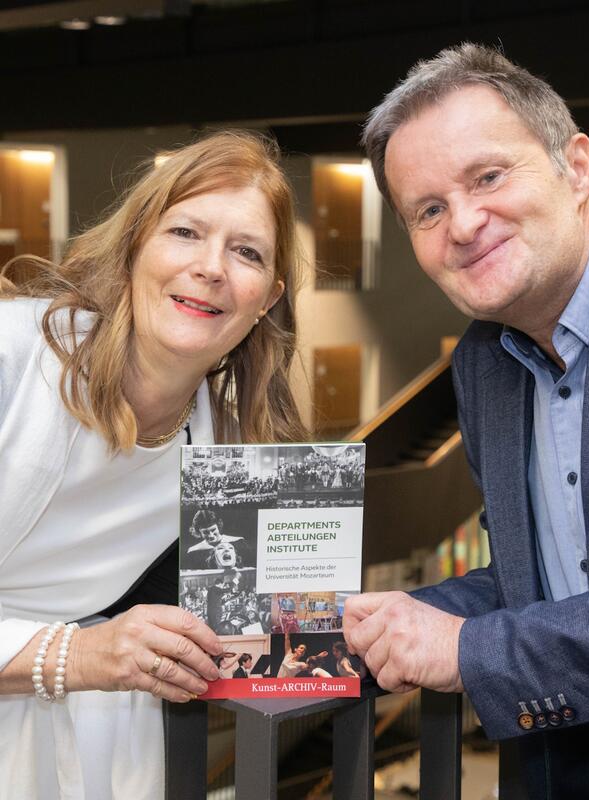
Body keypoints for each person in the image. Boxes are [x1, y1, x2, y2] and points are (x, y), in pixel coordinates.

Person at [0, 129, 306, 800]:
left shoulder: (230, 443)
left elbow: (267, 646)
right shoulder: (13, 357)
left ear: (267, 298)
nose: (212, 267)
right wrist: (81, 656)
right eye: (186, 233)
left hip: (95, 742)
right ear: (137, 245)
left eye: (246, 252)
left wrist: (330, 627)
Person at [343, 43, 589, 799]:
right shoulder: (484, 366)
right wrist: (394, 621)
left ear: (578, 166)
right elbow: (543, 586)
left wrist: (469, 649)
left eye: (487, 177)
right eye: (427, 210)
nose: (462, 222)